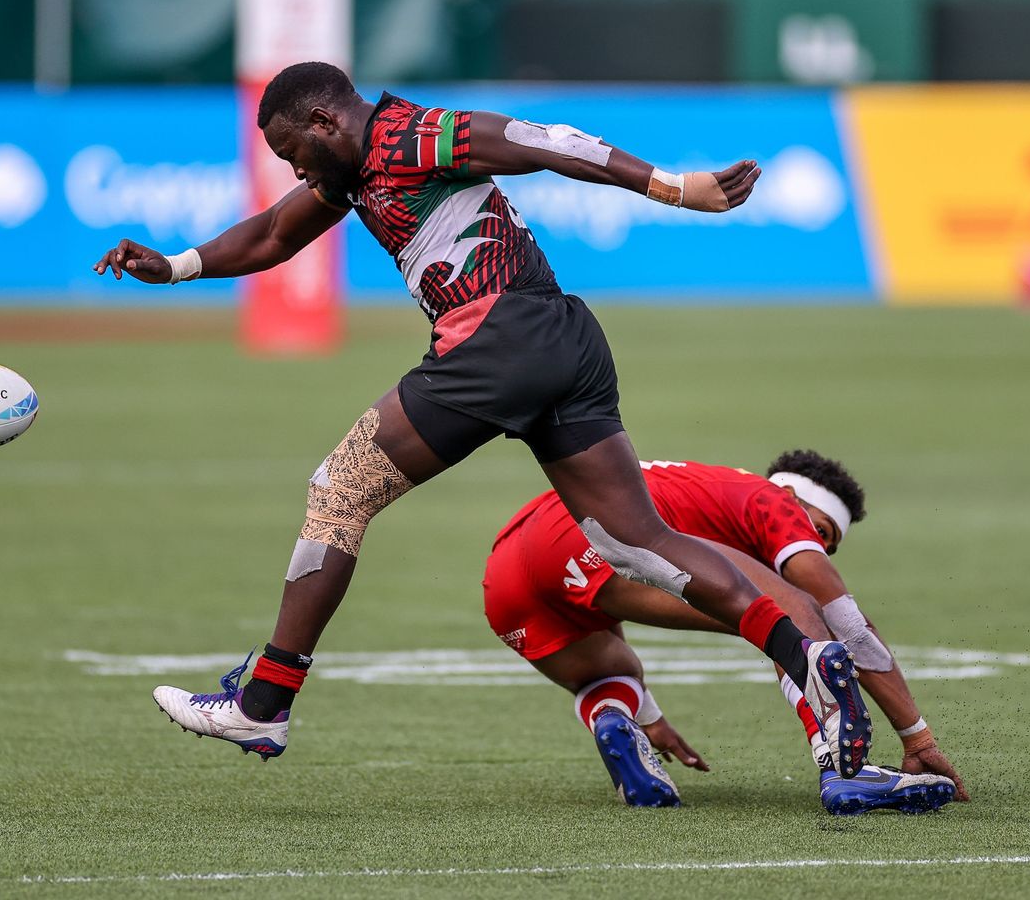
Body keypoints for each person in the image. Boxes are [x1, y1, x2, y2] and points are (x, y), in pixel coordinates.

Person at [94, 61, 874, 778]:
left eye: (291, 149)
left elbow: (542, 139)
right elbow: (271, 234)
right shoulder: (357, 167)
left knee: (339, 491)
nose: (291, 168)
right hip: (564, 338)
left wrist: (674, 188)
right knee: (635, 542)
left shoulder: (408, 132)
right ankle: (803, 653)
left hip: (496, 336)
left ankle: (262, 706)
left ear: (326, 122)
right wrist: (177, 266)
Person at [483, 450, 966, 814]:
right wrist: (917, 739)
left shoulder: (707, 493)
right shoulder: (774, 501)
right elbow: (850, 627)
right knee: (796, 613)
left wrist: (648, 717)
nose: (817, 550)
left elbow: (599, 594)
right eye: (821, 533)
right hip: (590, 533)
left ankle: (614, 715)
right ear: (796, 501)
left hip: (510, 570)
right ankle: (848, 772)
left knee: (612, 669)